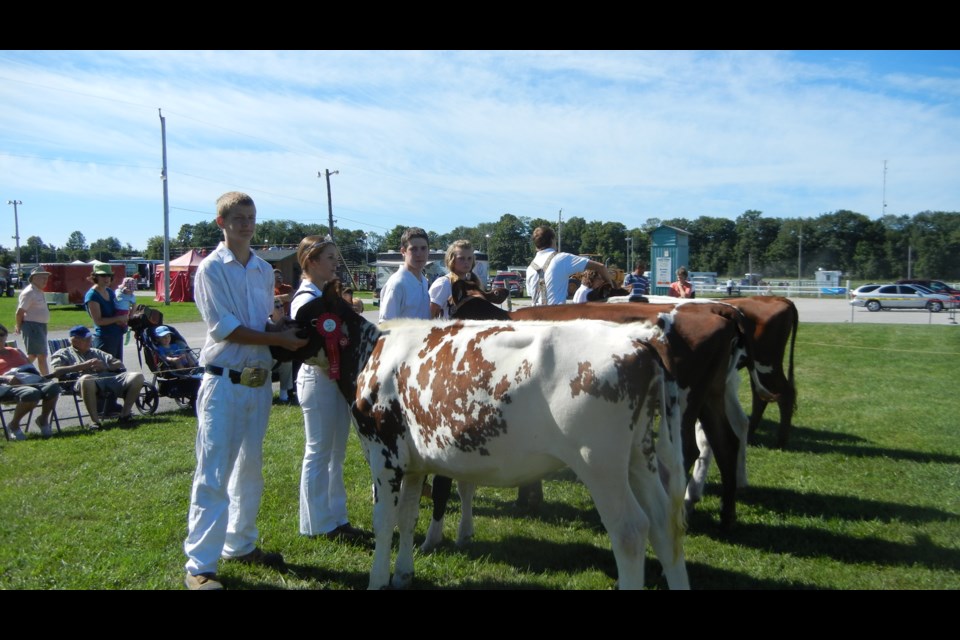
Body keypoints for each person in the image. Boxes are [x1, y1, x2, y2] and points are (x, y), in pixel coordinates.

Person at [182, 191, 307, 591]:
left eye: (250, 216)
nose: (246, 224)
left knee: (250, 470)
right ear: (221, 222)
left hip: (256, 384)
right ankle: (200, 565)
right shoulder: (210, 270)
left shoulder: (262, 269)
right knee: (214, 471)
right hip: (223, 381)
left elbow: (257, 323)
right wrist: (282, 342)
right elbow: (226, 329)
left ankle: (241, 544)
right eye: (237, 217)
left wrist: (282, 332)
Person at [290, 235, 370, 543]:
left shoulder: (326, 294)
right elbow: (309, 346)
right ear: (311, 262)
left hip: (336, 379)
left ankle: (338, 518)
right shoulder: (306, 298)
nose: (336, 263)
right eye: (330, 258)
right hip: (317, 379)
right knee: (318, 451)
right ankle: (316, 522)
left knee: (336, 453)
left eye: (336, 258)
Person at [48, 325, 144, 429]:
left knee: (137, 376)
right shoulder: (63, 353)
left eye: (90, 338)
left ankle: (124, 415)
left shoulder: (96, 351)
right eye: (86, 339)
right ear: (75, 341)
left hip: (106, 377)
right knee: (87, 379)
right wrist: (83, 366)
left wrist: (105, 366)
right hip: (82, 381)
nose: (90, 341)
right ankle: (95, 421)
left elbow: (119, 364)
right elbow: (56, 371)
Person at [525, 225, 612, 306]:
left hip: (534, 319)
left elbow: (532, 295)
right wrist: (611, 289)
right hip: (555, 318)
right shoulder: (561, 258)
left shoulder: (530, 268)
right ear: (552, 240)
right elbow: (601, 267)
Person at [0, 323, 60, 440]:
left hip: (29, 380)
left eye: (1, 334)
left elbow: (30, 367)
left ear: (6, 336)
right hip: (7, 385)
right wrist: (6, 378)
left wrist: (44, 377)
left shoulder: (16, 350)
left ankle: (43, 420)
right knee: (31, 393)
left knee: (53, 387)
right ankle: (14, 425)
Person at [379, 227, 431, 323]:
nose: (419, 254)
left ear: (428, 250)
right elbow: (386, 326)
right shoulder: (397, 284)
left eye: (423, 248)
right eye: (413, 249)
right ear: (403, 251)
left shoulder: (423, 281)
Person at [84, 263, 126, 361]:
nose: (106, 278)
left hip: (117, 335)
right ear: (95, 276)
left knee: (118, 368)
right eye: (103, 275)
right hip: (104, 338)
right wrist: (119, 318)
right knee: (105, 371)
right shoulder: (92, 296)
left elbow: (117, 310)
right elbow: (98, 321)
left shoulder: (110, 291)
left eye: (109, 275)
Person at [15, 267, 52, 375]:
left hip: (40, 326)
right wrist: (18, 326)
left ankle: (18, 372)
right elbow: (19, 312)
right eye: (42, 278)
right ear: (34, 278)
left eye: (46, 278)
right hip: (32, 326)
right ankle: (17, 372)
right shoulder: (29, 292)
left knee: (37, 354)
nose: (45, 281)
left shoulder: (38, 291)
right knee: (38, 354)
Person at [429, 239, 479, 319]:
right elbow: (428, 316)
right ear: (452, 259)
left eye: (469, 258)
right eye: (461, 258)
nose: (466, 262)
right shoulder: (444, 283)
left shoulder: (471, 284)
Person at [273, 269, 295, 404]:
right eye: (276, 277)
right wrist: (282, 298)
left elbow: (291, 296)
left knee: (289, 359)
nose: (279, 279)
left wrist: (278, 298)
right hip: (265, 358)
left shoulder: (287, 288)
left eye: (281, 277)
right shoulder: (267, 323)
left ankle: (286, 392)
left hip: (285, 320)